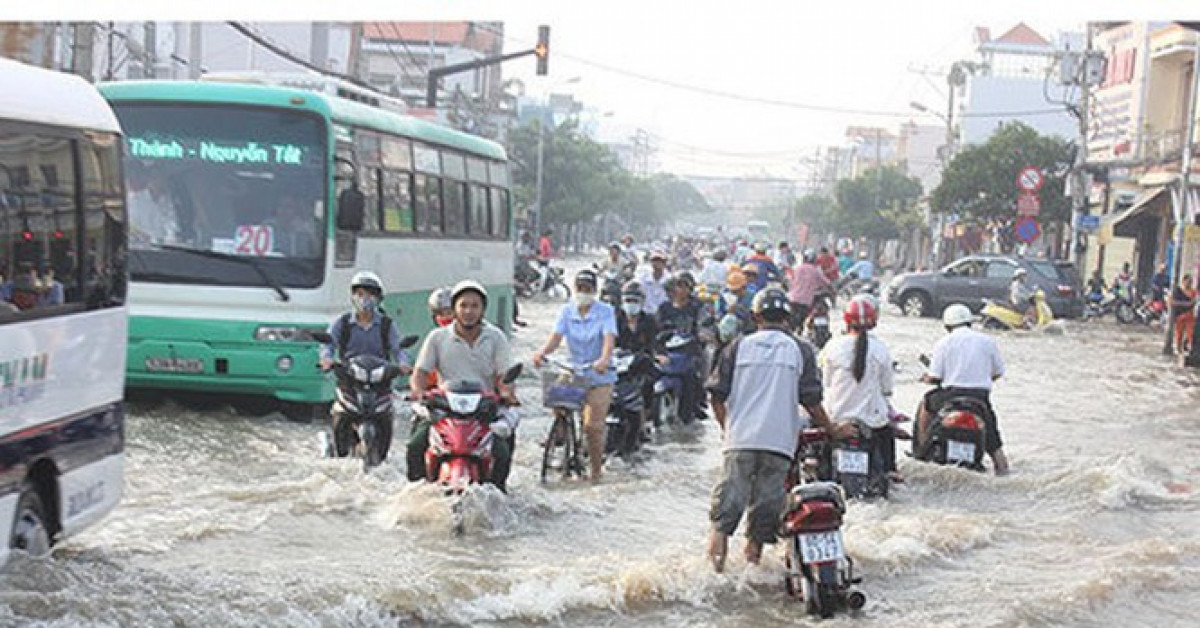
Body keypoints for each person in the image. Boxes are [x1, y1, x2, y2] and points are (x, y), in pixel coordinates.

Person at [705, 287, 852, 572]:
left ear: (756, 316)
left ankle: (715, 576)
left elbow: (716, 395)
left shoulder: (737, 347)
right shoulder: (801, 350)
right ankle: (752, 569)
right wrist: (832, 429)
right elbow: (811, 402)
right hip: (779, 446)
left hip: (740, 442)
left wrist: (727, 428)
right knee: (762, 518)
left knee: (723, 518)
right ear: (787, 318)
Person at [408, 281, 520, 491]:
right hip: (444, 410)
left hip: (484, 411)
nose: (469, 311)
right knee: (415, 444)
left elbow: (506, 376)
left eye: (474, 306)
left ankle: (498, 495)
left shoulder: (496, 337)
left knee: (502, 452)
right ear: (454, 309)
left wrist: (506, 393)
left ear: (482, 309)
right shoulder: (437, 337)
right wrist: (418, 391)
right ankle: (417, 494)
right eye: (463, 306)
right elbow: (420, 373)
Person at [532, 269, 618, 482]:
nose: (583, 293)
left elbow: (609, 339)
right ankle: (560, 435)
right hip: (573, 370)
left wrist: (604, 360)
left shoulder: (605, 311)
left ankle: (596, 471)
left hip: (599, 375)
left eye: (588, 289)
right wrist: (542, 352)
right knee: (555, 398)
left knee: (592, 427)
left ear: (595, 291)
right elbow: (556, 338)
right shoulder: (566, 311)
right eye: (580, 289)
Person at [319, 271, 413, 459]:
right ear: (353, 297)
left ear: (378, 298)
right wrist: (326, 359)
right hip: (350, 380)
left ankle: (383, 453)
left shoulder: (387, 325)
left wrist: (404, 364)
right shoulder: (343, 322)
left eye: (370, 294)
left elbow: (398, 348)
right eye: (360, 294)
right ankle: (338, 450)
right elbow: (328, 344)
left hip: (380, 381)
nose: (365, 299)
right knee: (341, 411)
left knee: (386, 414)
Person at [919, 304, 1010, 475]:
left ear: (947, 325)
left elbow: (935, 377)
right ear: (969, 322)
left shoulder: (943, 343)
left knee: (926, 404)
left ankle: (922, 450)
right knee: (995, 446)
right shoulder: (987, 341)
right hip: (979, 400)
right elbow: (997, 373)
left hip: (949, 397)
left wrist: (926, 378)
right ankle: (1003, 471)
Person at [819, 295, 900, 483]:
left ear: (847, 320)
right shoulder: (881, 349)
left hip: (837, 418)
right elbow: (887, 389)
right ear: (874, 321)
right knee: (888, 435)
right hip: (872, 422)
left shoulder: (832, 346)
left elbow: (827, 382)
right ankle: (891, 471)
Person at [656, 272, 715, 423]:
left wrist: (703, 334)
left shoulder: (698, 307)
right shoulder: (664, 308)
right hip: (667, 353)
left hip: (691, 353)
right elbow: (655, 330)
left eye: (684, 286)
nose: (680, 290)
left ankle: (695, 403)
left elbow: (706, 326)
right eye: (678, 285)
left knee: (695, 377)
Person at [787, 249, 832, 330]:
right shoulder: (815, 271)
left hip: (793, 300)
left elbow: (790, 282)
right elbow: (827, 283)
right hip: (806, 302)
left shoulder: (797, 269)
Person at [716, 269, 756, 336]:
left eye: (736, 291)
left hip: (746, 328)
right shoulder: (723, 296)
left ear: (744, 288)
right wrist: (729, 313)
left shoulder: (752, 296)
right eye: (732, 291)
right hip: (726, 328)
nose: (733, 294)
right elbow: (718, 313)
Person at [638, 250, 671, 316]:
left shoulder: (670, 279)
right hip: (646, 313)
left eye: (660, 261)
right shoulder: (643, 277)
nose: (657, 263)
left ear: (664, 263)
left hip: (664, 314)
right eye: (655, 261)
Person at [1172, 274, 1196, 353]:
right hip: (1180, 315)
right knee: (1179, 334)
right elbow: (1172, 302)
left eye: (1190, 282)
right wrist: (1185, 304)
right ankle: (1179, 349)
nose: (1189, 283)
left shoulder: (1193, 292)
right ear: (1183, 281)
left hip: (1189, 315)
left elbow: (1194, 302)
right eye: (1187, 281)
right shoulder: (1177, 290)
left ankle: (1190, 348)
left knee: (1190, 333)